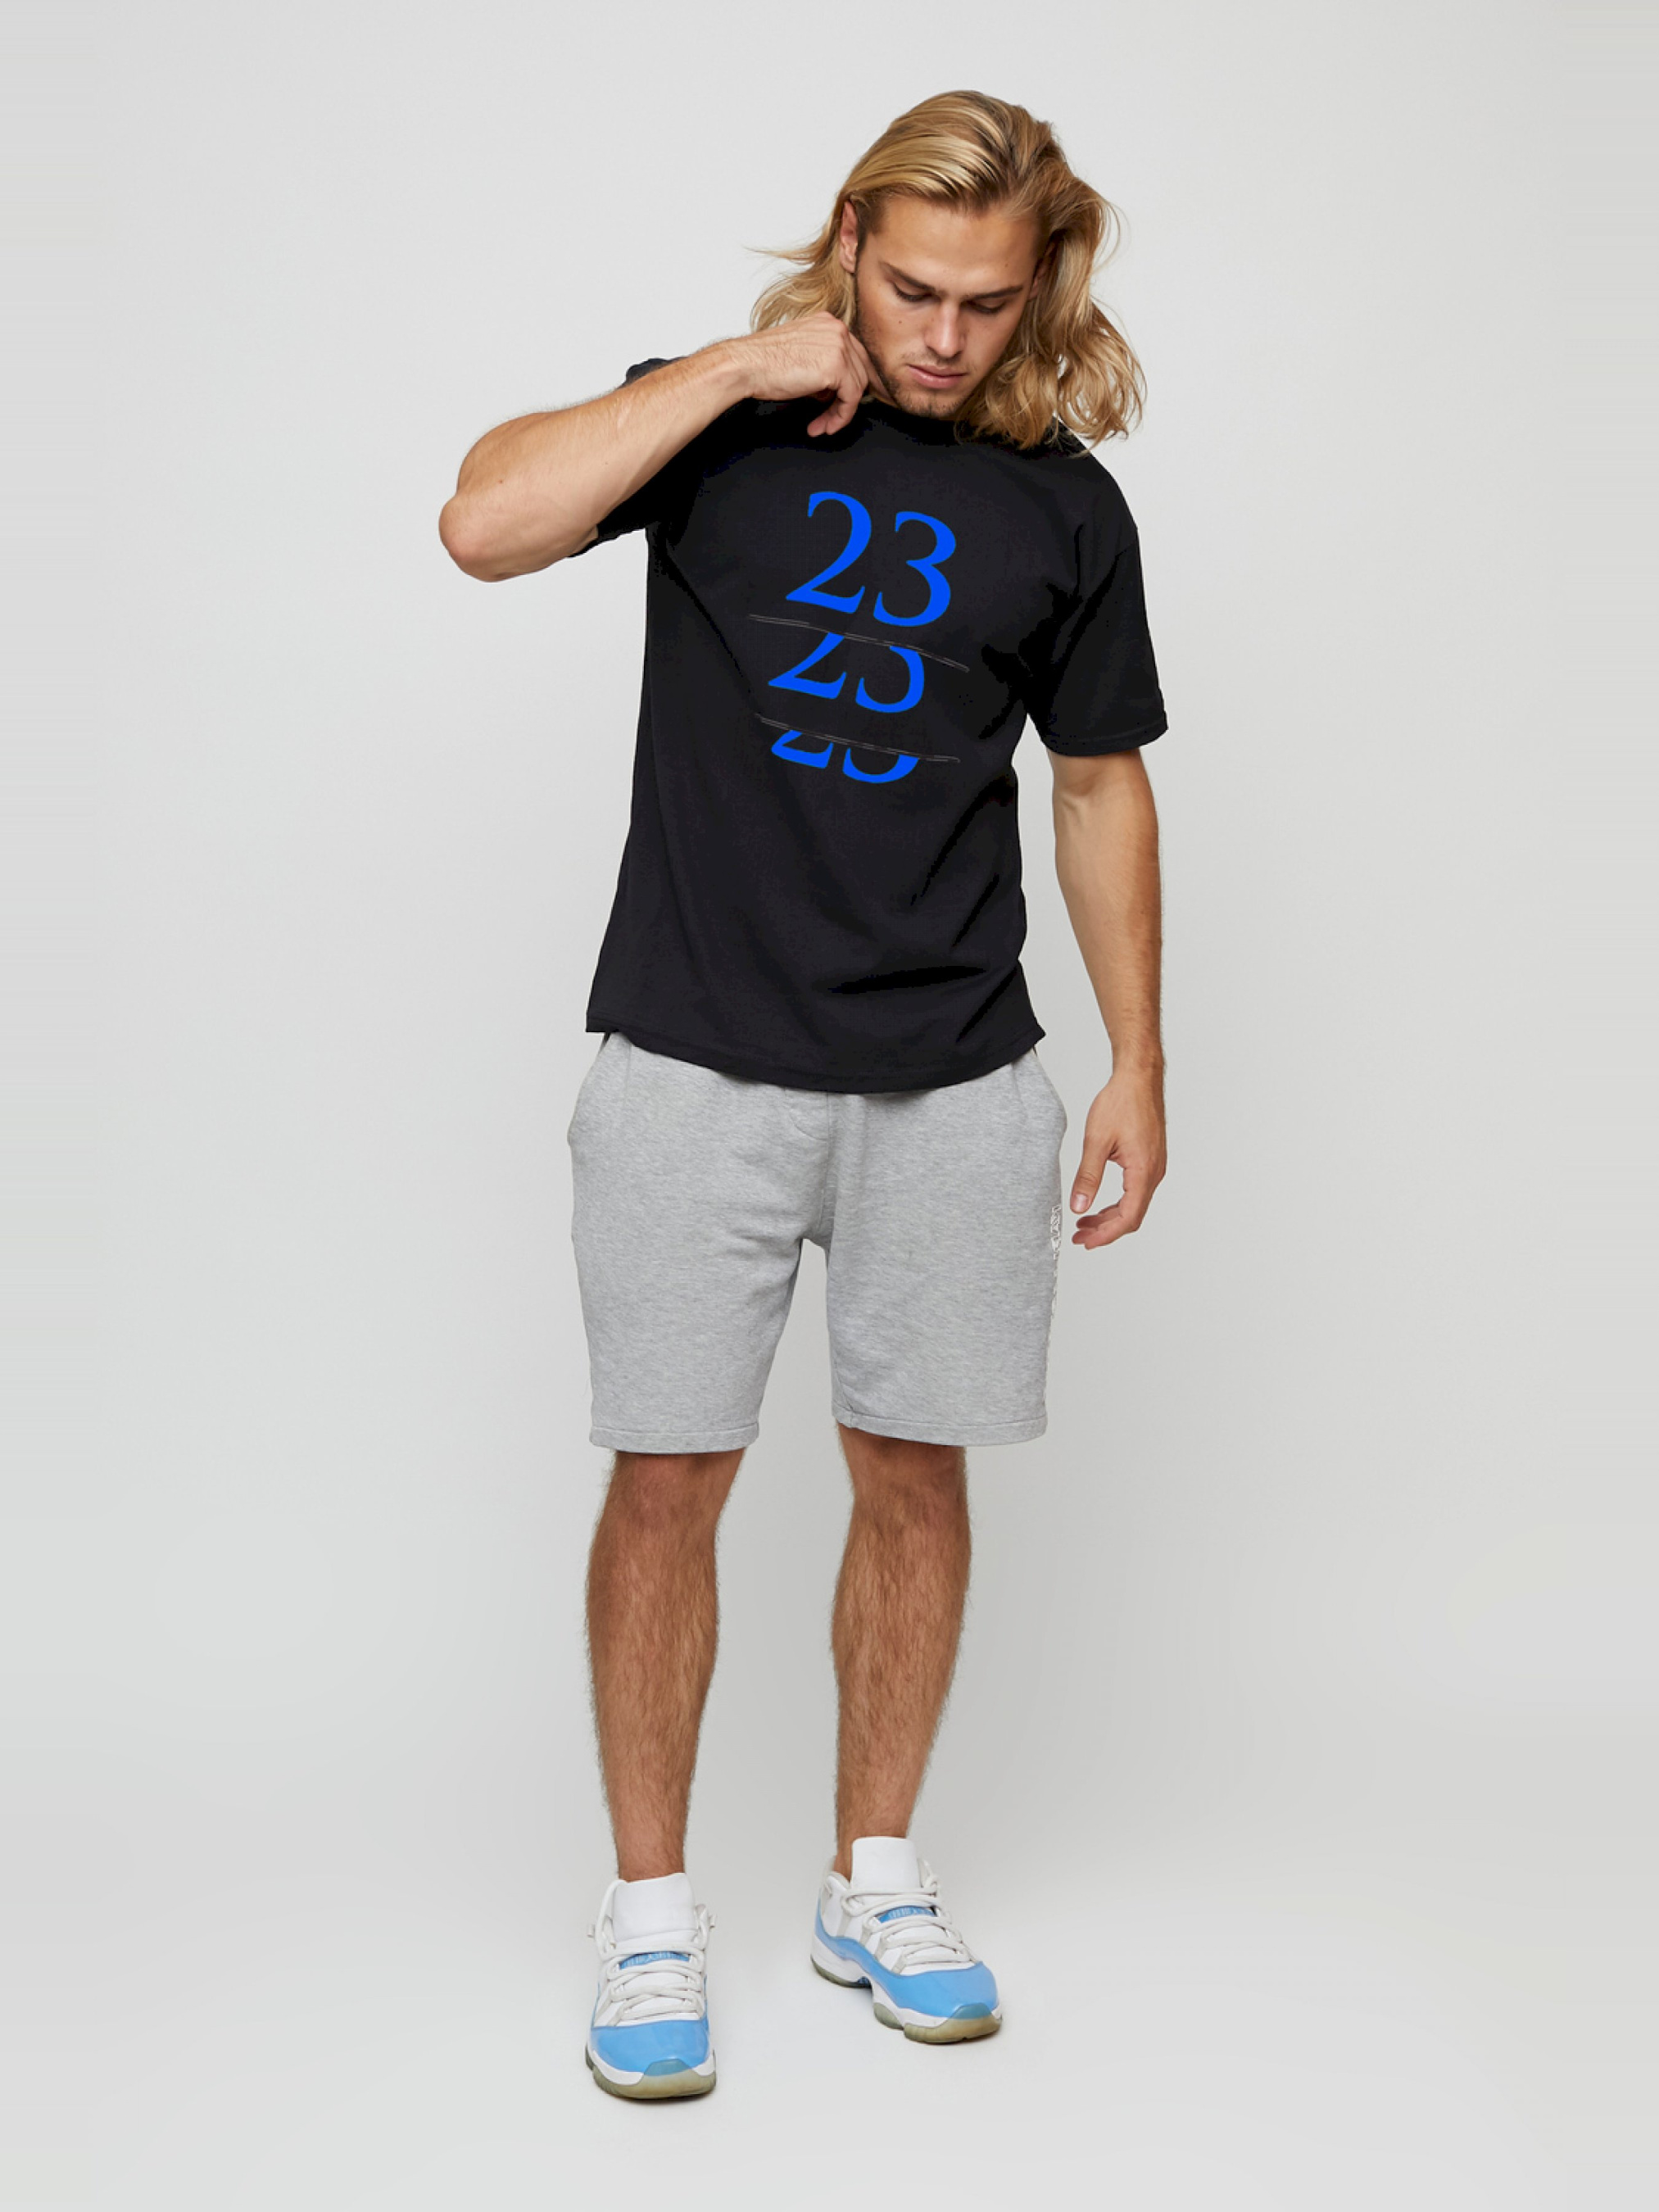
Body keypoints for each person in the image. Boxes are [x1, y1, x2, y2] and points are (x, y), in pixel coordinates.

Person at [439, 88, 1168, 2100]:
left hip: (957, 1074)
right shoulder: (719, 427)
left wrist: (1137, 1061)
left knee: (914, 1477)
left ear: (1040, 290)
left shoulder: (1065, 510)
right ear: (849, 239)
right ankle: (648, 1912)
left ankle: (874, 1883)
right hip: (691, 1056)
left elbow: (1097, 784)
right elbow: (482, 525)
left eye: (986, 303)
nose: (943, 336)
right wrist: (730, 371)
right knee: (666, 1477)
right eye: (912, 289)